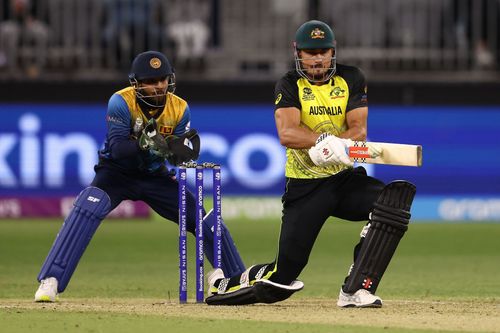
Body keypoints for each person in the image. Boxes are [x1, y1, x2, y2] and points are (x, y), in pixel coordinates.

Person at [205, 20, 416, 308]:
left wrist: (335, 145)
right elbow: (287, 133)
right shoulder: (289, 84)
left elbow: (359, 131)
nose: (317, 58)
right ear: (298, 53)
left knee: (390, 204)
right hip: (305, 188)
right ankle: (221, 285)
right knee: (281, 279)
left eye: (323, 51)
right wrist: (320, 142)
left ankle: (356, 289)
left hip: (344, 180)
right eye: (310, 52)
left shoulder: (351, 78)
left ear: (333, 52)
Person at [34, 50, 245, 302]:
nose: (158, 86)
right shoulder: (120, 102)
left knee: (200, 218)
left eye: (163, 80)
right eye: (151, 81)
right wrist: (144, 143)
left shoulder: (180, 108)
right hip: (116, 173)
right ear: (137, 84)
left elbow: (175, 158)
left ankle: (232, 279)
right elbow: (119, 150)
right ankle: (51, 280)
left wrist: (178, 153)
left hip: (154, 176)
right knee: (87, 207)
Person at [0, 0, 49, 76]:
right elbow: (4, 12)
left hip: (31, 23)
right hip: (12, 23)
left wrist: (32, 18)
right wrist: (15, 10)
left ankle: (39, 67)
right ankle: (11, 68)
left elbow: (41, 10)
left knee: (41, 33)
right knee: (8, 33)